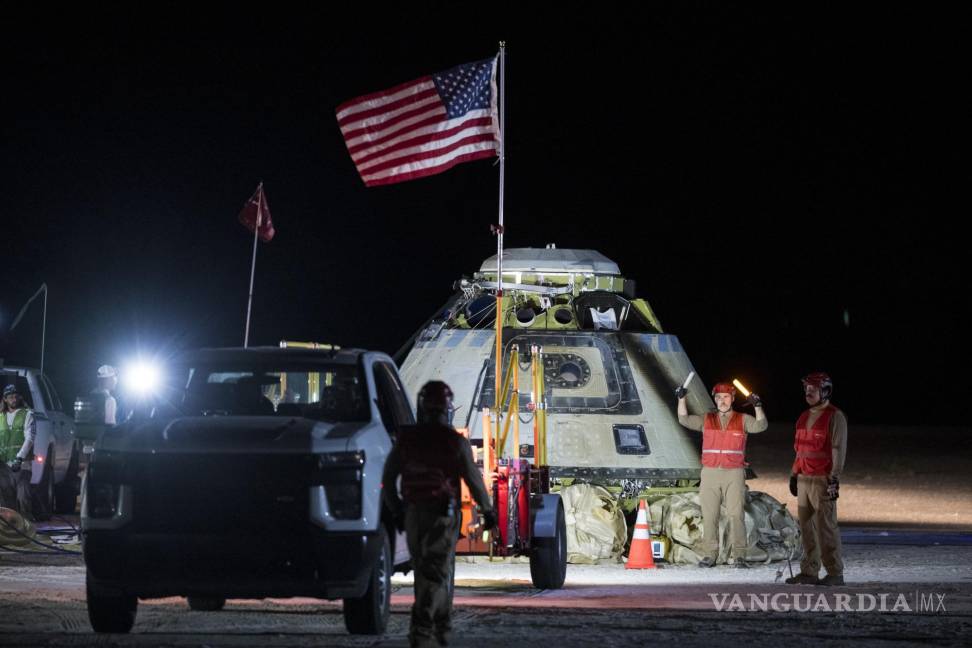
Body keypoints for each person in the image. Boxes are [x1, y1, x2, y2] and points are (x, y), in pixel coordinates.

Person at [382, 380, 496, 648]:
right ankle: (421, 633)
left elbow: (388, 478)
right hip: (442, 518)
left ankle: (442, 629)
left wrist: (397, 509)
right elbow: (473, 480)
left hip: (412, 515)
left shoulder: (406, 439)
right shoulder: (454, 442)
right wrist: (487, 510)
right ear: (447, 407)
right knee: (436, 574)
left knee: (426, 572)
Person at [677, 381, 767, 567]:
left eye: (726, 397)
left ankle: (739, 555)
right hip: (709, 473)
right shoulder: (706, 419)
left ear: (733, 399)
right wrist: (681, 399)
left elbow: (761, 426)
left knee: (736, 515)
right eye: (718, 397)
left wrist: (757, 406)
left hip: (734, 473)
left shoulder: (743, 419)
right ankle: (710, 555)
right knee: (710, 516)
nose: (722, 400)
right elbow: (684, 419)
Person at [785, 372, 847, 586]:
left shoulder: (834, 416)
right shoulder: (803, 416)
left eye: (813, 389)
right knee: (807, 527)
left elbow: (838, 449)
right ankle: (809, 571)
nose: (808, 393)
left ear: (826, 391)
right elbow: (799, 450)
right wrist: (794, 474)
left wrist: (834, 478)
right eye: (806, 389)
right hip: (804, 478)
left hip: (822, 479)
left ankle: (835, 572)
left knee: (826, 527)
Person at [0, 384, 36, 517]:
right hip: (4, 467)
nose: (13, 400)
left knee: (23, 498)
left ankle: (27, 529)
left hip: (22, 465)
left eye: (15, 397)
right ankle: (10, 532)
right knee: (6, 504)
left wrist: (20, 458)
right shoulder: (0, 417)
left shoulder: (27, 414)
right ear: (5, 399)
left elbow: (30, 438)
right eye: (10, 397)